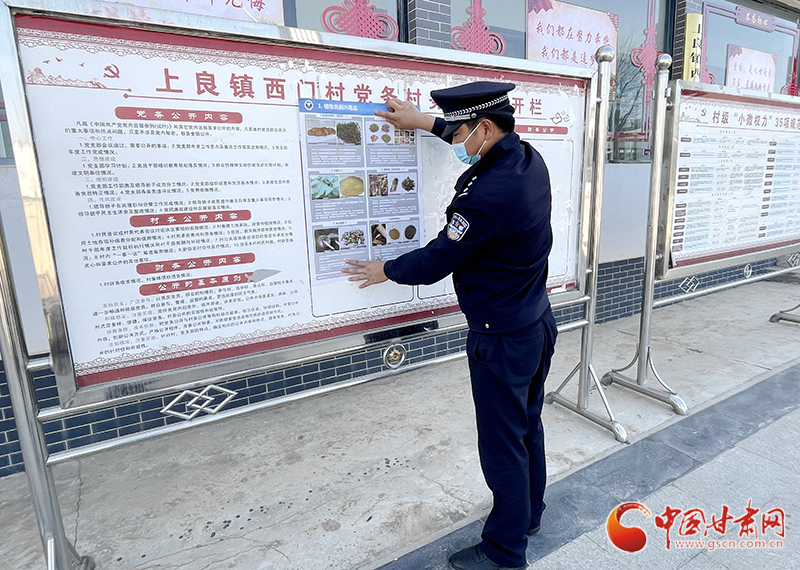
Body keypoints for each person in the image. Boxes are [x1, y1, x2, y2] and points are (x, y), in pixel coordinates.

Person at [342, 81, 557, 570]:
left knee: (502, 445)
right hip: (535, 322)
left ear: (485, 128)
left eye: (460, 133)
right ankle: (528, 515)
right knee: (526, 427)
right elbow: (467, 134)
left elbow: (439, 258)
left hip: (501, 340)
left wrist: (385, 269)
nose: (456, 141)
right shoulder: (527, 159)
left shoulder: (487, 196)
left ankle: (505, 551)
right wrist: (423, 122)